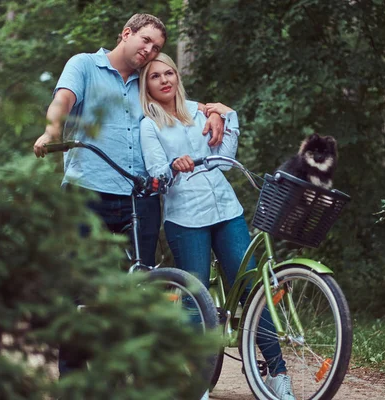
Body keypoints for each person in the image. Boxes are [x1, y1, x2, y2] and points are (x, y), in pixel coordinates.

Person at [32, 14, 224, 380]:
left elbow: (185, 105)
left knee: (136, 291)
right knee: (81, 290)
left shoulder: (147, 81)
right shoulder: (85, 65)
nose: (149, 51)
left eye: (157, 48)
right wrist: (51, 131)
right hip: (87, 194)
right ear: (127, 33)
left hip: (140, 199)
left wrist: (215, 111)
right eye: (146, 41)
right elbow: (63, 100)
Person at [139, 53, 296, 400]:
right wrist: (173, 166)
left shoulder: (199, 110)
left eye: (169, 73)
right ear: (146, 86)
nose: (165, 80)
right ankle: (198, 382)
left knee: (255, 288)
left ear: (177, 77)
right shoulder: (149, 124)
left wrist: (225, 114)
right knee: (195, 299)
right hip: (185, 218)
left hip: (226, 210)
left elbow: (225, 161)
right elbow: (156, 175)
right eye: (155, 77)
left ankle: (277, 373)